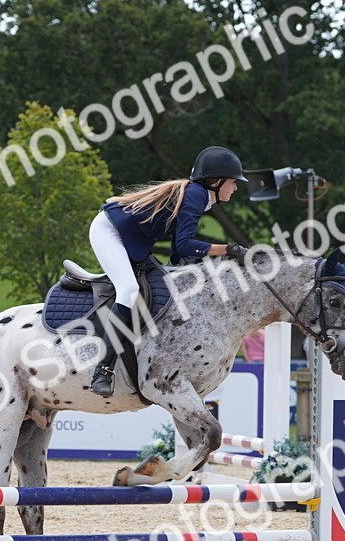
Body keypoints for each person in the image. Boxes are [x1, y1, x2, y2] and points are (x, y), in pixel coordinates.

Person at [87, 145, 252, 396]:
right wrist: (228, 249)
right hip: (109, 232)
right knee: (129, 289)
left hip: (132, 240)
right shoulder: (196, 195)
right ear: (217, 182)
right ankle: (103, 370)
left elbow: (179, 251)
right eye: (233, 182)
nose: (236, 188)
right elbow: (186, 244)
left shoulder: (198, 196)